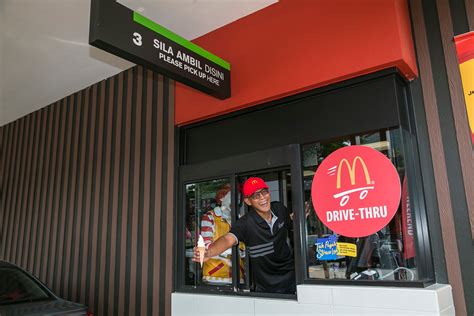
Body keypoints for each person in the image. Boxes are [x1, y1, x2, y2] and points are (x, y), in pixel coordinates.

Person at [193, 177, 300, 294]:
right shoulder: (245, 223)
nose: (262, 198)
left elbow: (290, 224)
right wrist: (209, 252)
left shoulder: (279, 208)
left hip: (291, 279)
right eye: (256, 195)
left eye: (264, 192)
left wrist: (300, 218)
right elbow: (228, 239)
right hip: (266, 286)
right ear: (248, 201)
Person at [200, 184, 244, 284]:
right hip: (215, 276)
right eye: (233, 197)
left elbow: (244, 247)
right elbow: (206, 247)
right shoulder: (210, 217)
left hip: (238, 276)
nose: (237, 201)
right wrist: (232, 251)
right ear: (222, 197)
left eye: (238, 198)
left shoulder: (239, 220)